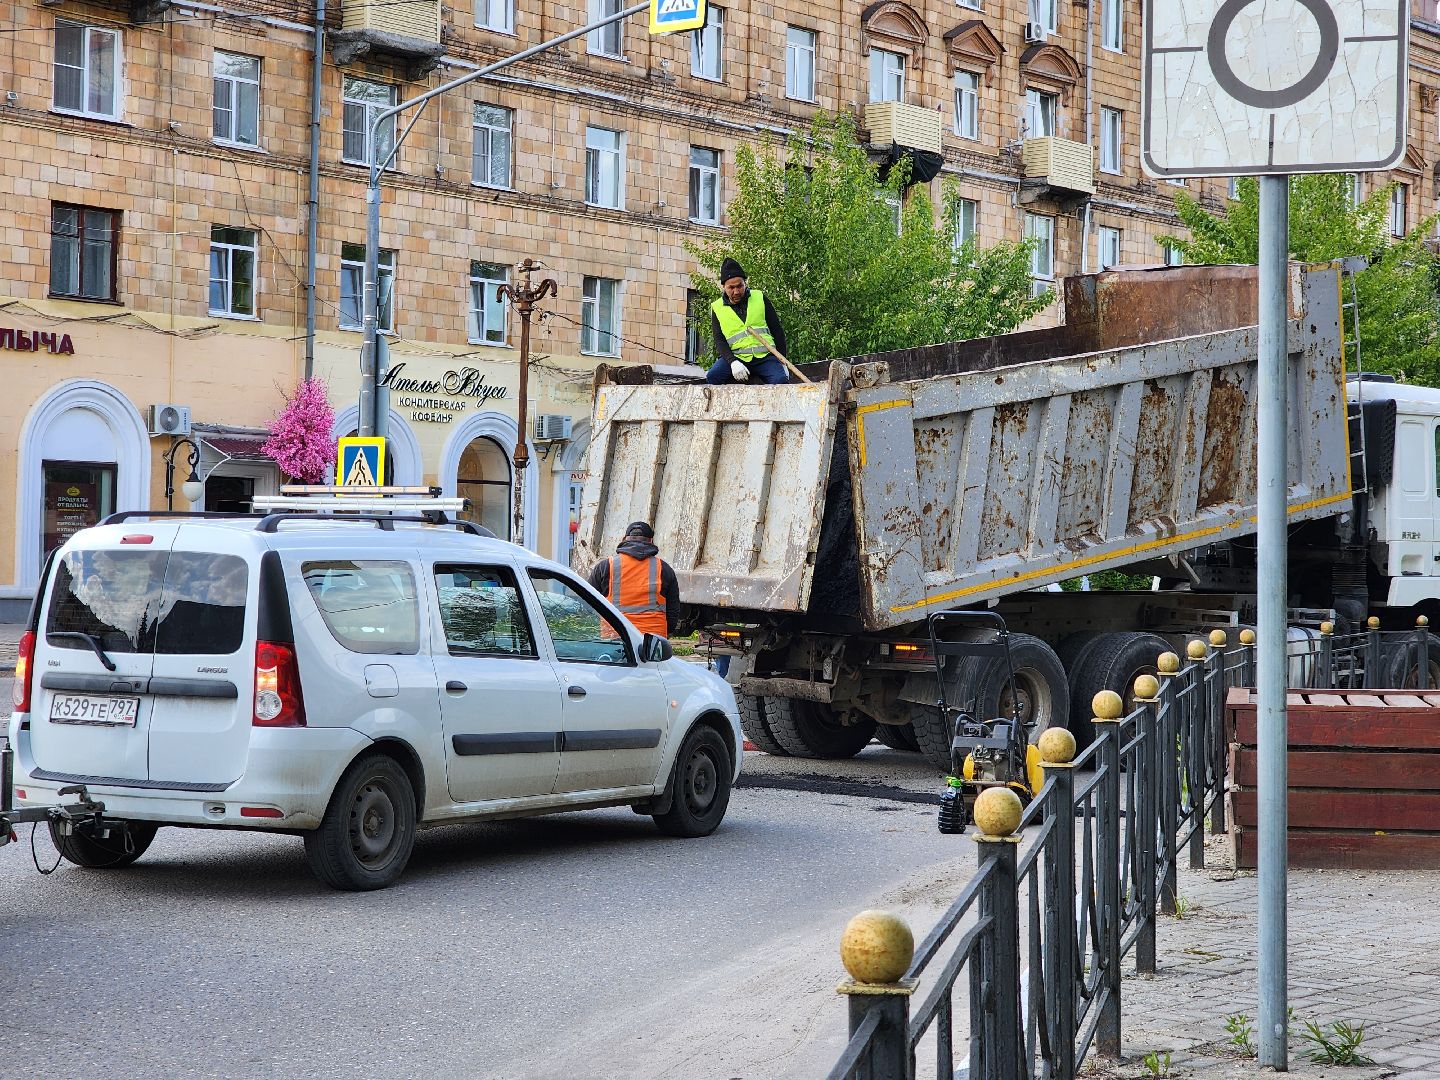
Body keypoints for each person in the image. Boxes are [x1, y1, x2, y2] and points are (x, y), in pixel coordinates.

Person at [588, 521, 681, 638]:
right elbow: (673, 610)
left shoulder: (605, 566)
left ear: (624, 539)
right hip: (652, 641)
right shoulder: (664, 569)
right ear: (651, 541)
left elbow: (588, 604)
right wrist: (665, 632)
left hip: (615, 638)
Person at [706, 258, 791, 385]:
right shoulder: (717, 307)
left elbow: (777, 330)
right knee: (713, 377)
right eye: (731, 287)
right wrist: (732, 362)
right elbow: (719, 339)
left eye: (740, 286)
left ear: (745, 283)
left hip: (765, 357)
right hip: (737, 357)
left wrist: (782, 360)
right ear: (723, 287)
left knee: (780, 381)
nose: (736, 291)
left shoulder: (759, 298)